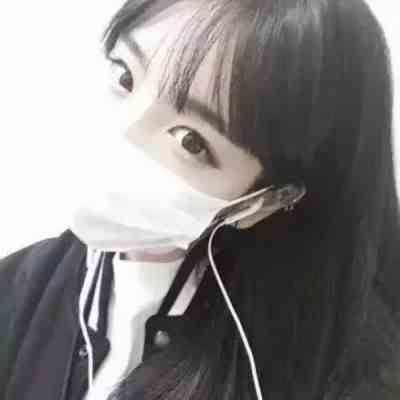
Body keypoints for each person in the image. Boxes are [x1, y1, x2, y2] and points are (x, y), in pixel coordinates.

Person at [1, 0, 399, 399]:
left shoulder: (343, 380)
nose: (124, 130)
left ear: (266, 201)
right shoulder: (19, 286)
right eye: (125, 76)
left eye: (190, 140)